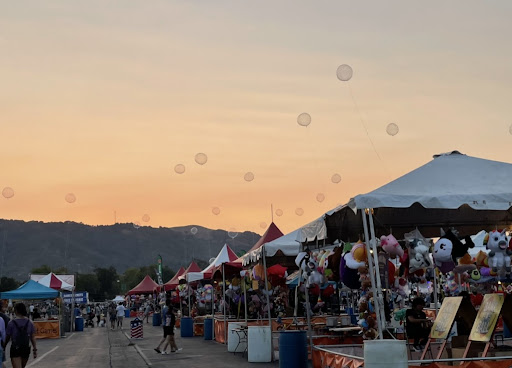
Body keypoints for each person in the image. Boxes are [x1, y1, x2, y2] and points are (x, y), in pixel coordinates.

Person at [4, 303, 37, 368]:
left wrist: (3, 347)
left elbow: (7, 337)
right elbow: (32, 337)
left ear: (16, 310)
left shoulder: (11, 323)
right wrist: (34, 349)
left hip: (15, 348)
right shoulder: (30, 322)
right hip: (25, 348)